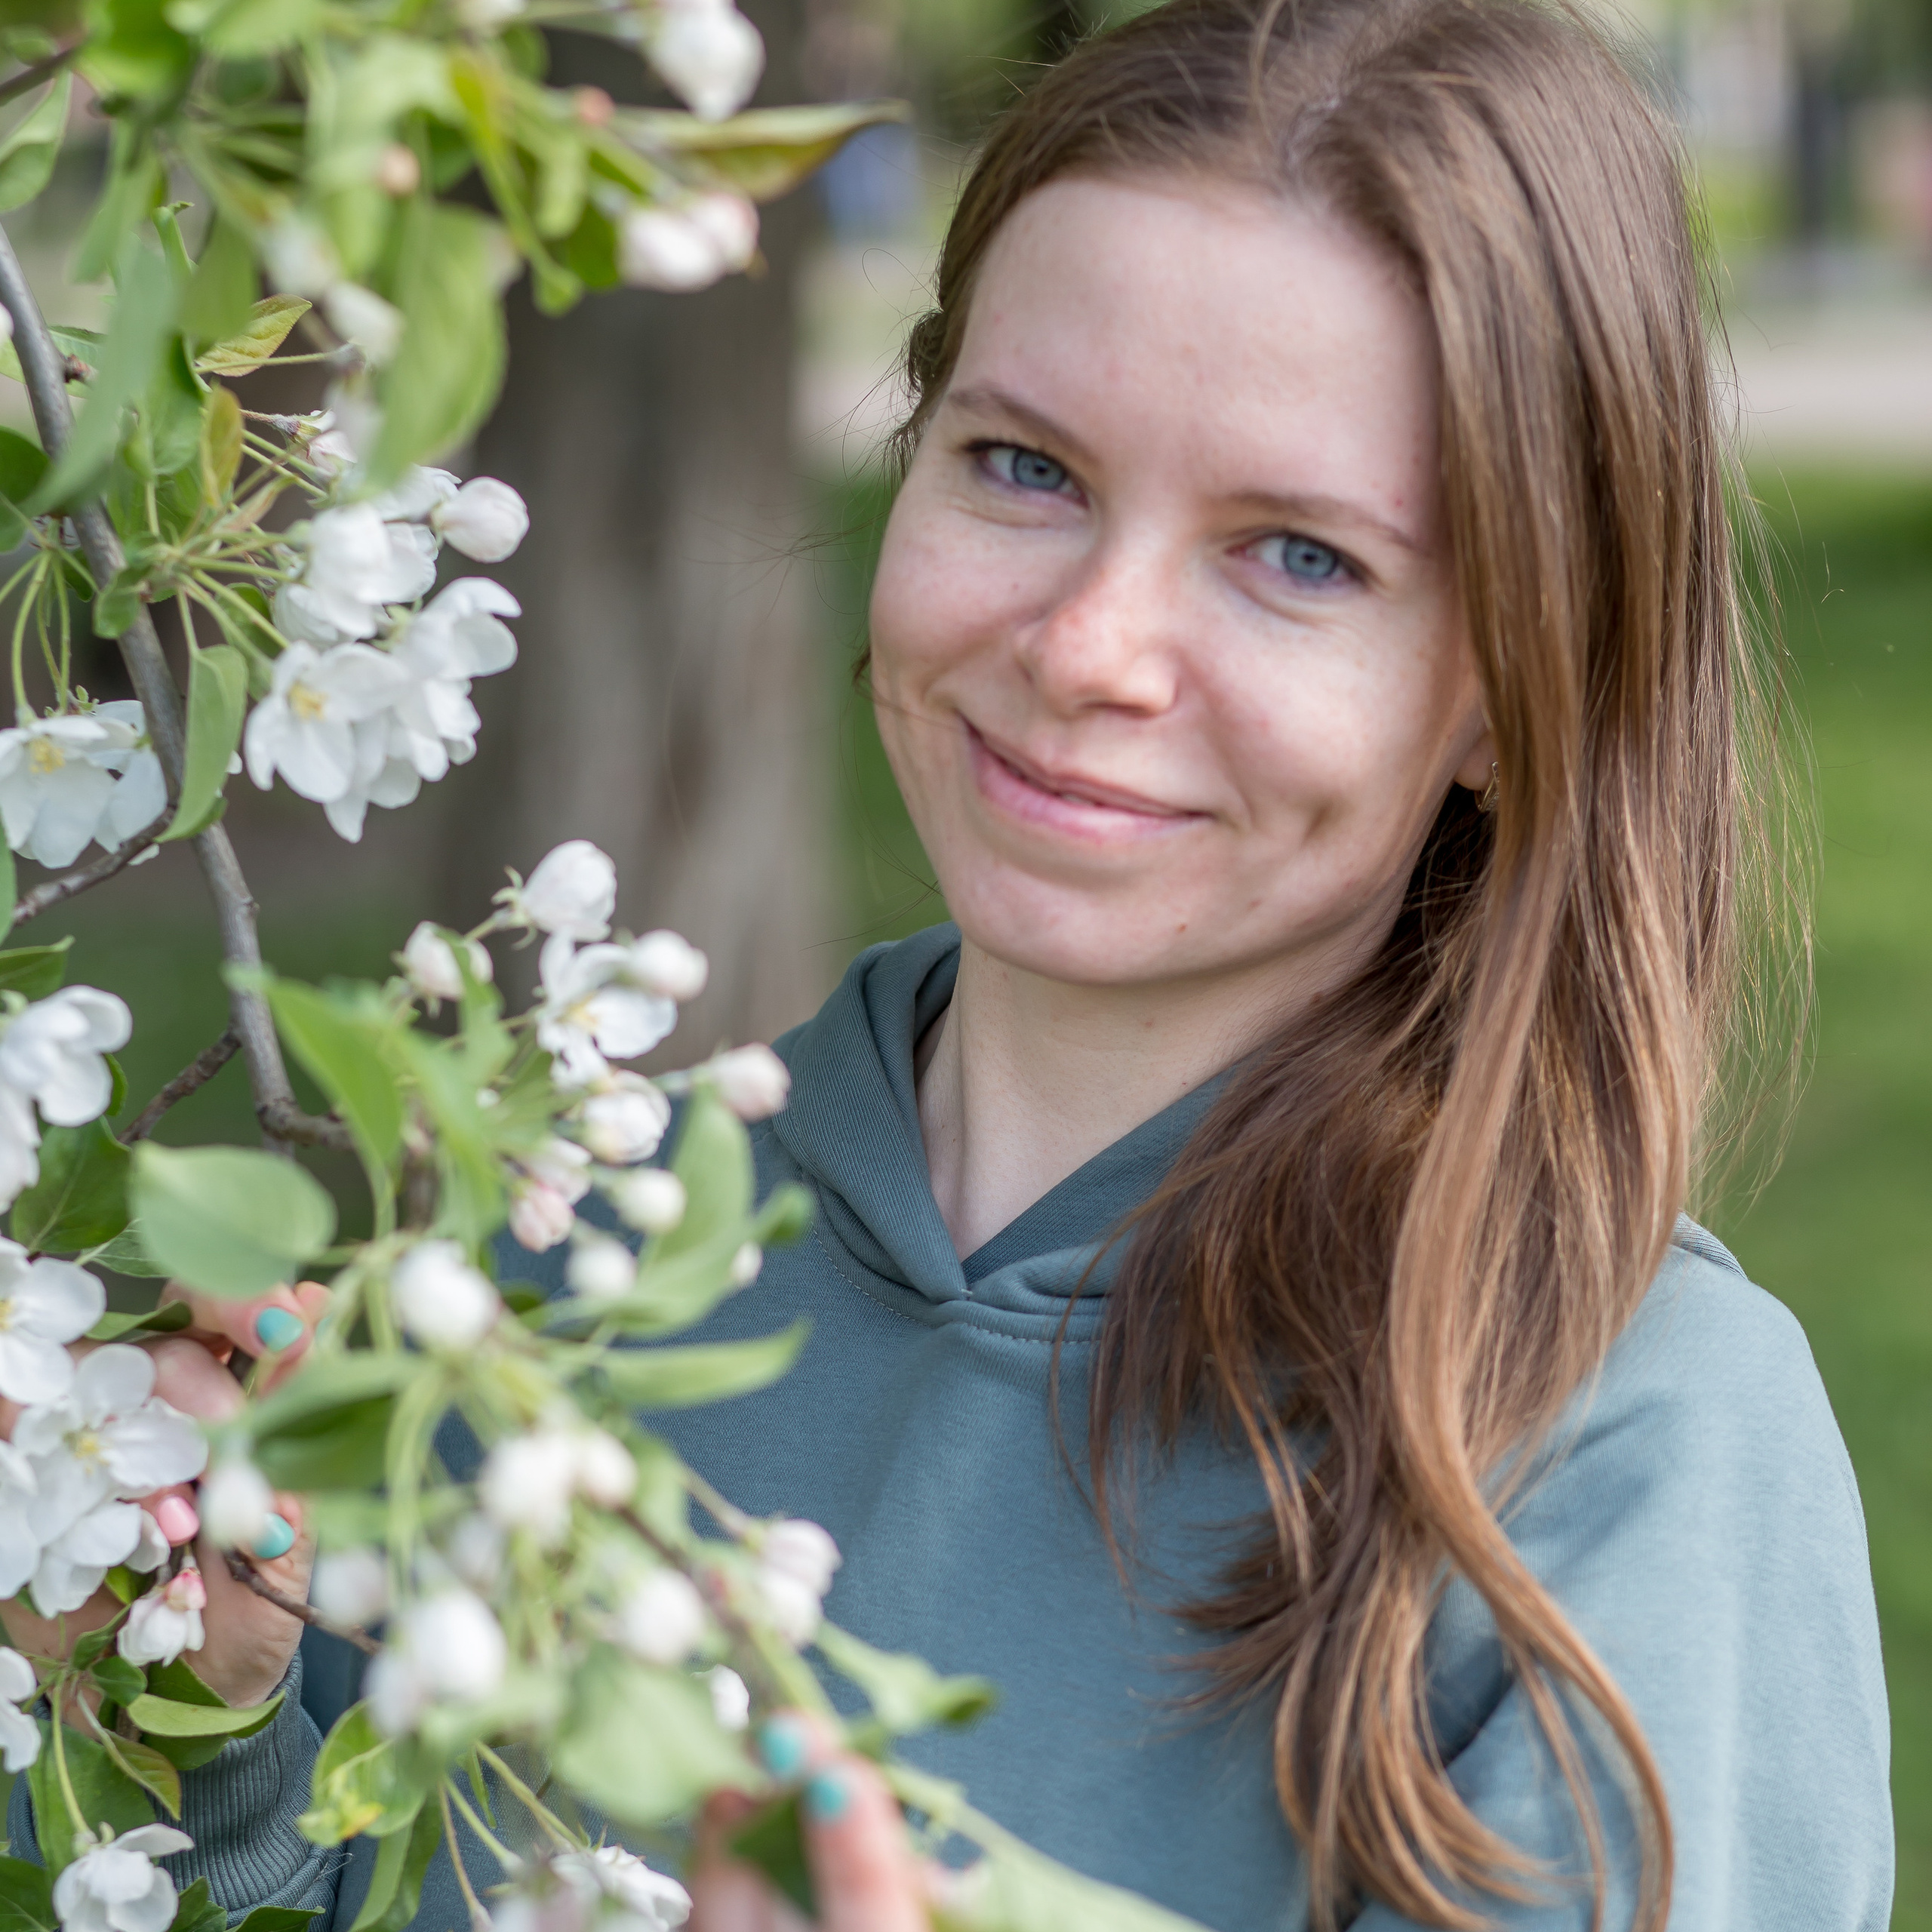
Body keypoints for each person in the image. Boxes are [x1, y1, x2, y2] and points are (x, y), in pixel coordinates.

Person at [3, 0, 1894, 1925]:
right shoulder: (544, 1257)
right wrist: (190, 1726)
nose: (1089, 645)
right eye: (1024, 466)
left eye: (1299, 555)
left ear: (1514, 684)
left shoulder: (1618, 1452)